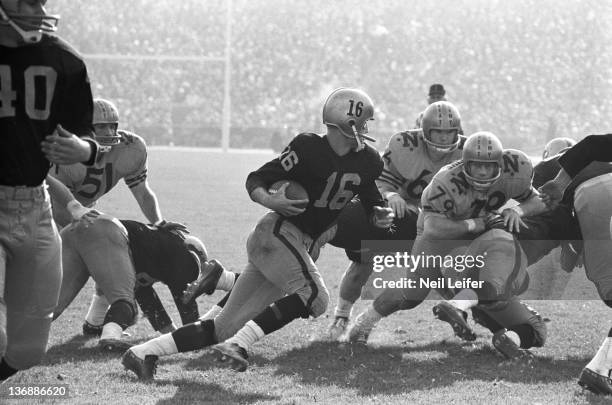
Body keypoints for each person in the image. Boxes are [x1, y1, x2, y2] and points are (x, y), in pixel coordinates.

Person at [121, 87, 394, 379]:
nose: (366, 129)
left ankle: (141, 353)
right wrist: (270, 200)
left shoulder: (368, 160)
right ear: (348, 122)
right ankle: (239, 344)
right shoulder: (308, 147)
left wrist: (379, 214)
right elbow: (258, 178)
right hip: (277, 234)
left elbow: (370, 199)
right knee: (315, 296)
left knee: (221, 328)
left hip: (297, 244)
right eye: (363, 121)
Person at [346, 132, 549, 355]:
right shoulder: (446, 181)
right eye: (476, 166)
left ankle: (476, 316)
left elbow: (538, 199)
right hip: (438, 234)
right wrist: (478, 223)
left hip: (477, 238)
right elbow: (435, 228)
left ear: (499, 164)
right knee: (414, 290)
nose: (482, 172)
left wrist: (517, 210)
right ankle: (364, 323)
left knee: (486, 283)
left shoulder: (513, 170)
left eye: (488, 166)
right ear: (465, 164)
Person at [0, 0, 99, 380]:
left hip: (35, 205)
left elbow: (88, 136)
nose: (35, 8)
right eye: (24, 0)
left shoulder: (64, 60)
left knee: (26, 351)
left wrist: (81, 148)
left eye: (39, 0)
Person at [323, 100, 465, 340]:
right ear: (425, 130)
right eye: (438, 132)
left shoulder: (466, 152)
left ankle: (463, 314)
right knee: (362, 263)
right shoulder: (404, 144)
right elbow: (377, 180)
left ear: (458, 131)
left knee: (437, 272)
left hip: (433, 222)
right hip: (396, 215)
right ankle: (341, 317)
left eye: (449, 132)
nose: (443, 138)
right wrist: (391, 195)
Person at [50, 98, 168, 337]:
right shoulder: (64, 148)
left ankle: (96, 322)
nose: (109, 132)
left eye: (112, 125)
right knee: (58, 275)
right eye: (101, 126)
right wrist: (77, 215)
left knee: (108, 257)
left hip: (84, 209)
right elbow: (51, 192)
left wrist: (159, 224)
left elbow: (143, 193)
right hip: (45, 209)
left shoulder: (130, 148)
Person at [53, 215, 235, 351]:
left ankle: (29, 330)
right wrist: (197, 337)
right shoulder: (184, 257)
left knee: (52, 304)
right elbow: (187, 307)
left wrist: (170, 334)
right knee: (125, 303)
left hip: (74, 229)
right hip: (105, 235)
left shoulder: (150, 250)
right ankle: (109, 339)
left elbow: (147, 299)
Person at [539, 133, 612, 395]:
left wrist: (559, 185)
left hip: (589, 195)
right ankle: (601, 368)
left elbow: (592, 144)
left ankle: (601, 367)